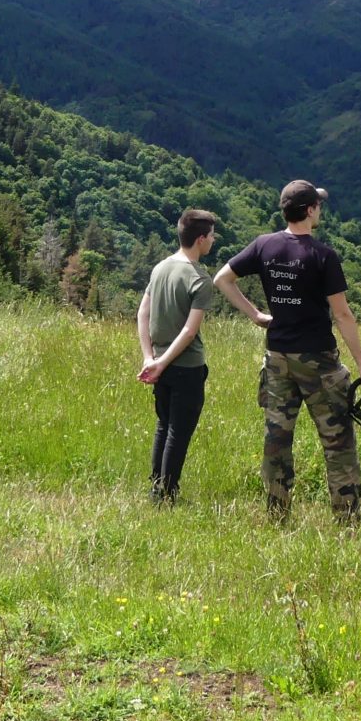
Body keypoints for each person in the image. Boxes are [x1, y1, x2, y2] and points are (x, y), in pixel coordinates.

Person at [214, 180, 361, 525]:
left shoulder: (264, 245)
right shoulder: (323, 256)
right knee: (337, 441)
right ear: (309, 210)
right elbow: (342, 315)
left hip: (277, 358)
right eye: (318, 205)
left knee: (277, 440)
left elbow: (222, 279)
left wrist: (256, 315)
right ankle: (348, 519)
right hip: (319, 361)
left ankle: (277, 515)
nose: (320, 210)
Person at [136, 208, 226, 505]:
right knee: (178, 431)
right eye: (211, 236)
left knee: (163, 426)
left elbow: (143, 313)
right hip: (187, 367)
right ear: (200, 239)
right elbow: (189, 331)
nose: (213, 240)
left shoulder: (160, 268)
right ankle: (168, 495)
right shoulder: (200, 278)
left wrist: (150, 358)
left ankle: (156, 491)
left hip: (159, 362)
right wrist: (161, 363)